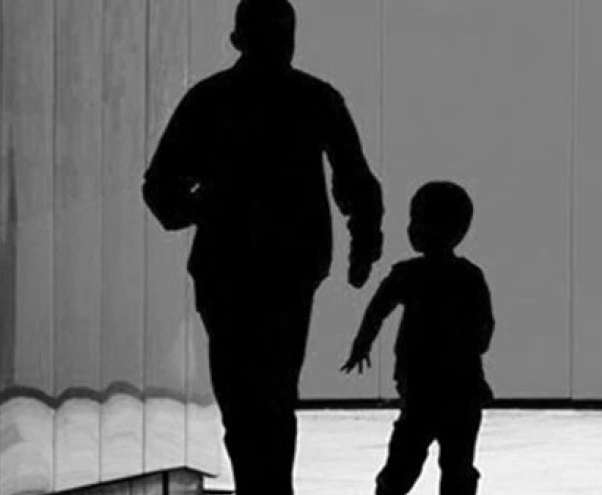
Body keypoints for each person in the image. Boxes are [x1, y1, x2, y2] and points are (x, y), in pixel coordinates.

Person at [142, 0, 384, 493]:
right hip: (292, 265)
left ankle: (260, 486)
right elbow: (356, 181)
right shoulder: (315, 97)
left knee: (240, 396)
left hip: (225, 266)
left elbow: (161, 188)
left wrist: (205, 205)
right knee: (275, 390)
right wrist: (364, 244)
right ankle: (272, 487)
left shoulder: (209, 99)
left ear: (236, 39)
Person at [342, 181, 494, 495]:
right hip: (462, 391)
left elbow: (377, 311)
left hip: (421, 389)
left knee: (403, 463)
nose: (412, 228)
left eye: (419, 220)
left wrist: (362, 343)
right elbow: (484, 330)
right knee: (457, 467)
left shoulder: (408, 274)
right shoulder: (469, 276)